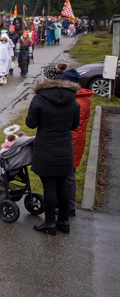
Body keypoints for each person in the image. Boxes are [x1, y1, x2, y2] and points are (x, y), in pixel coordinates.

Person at [26, 64, 80, 235]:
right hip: (65, 147)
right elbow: (75, 124)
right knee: (62, 185)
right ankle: (63, 222)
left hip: (46, 148)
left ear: (46, 78)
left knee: (49, 187)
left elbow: (31, 123)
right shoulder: (72, 99)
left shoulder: (40, 98)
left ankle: (49, 223)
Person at [62, 67, 93, 218]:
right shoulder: (80, 98)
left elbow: (74, 127)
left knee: (68, 176)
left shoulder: (78, 102)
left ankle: (69, 206)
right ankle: (67, 205)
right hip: (74, 142)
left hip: (72, 143)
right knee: (68, 175)